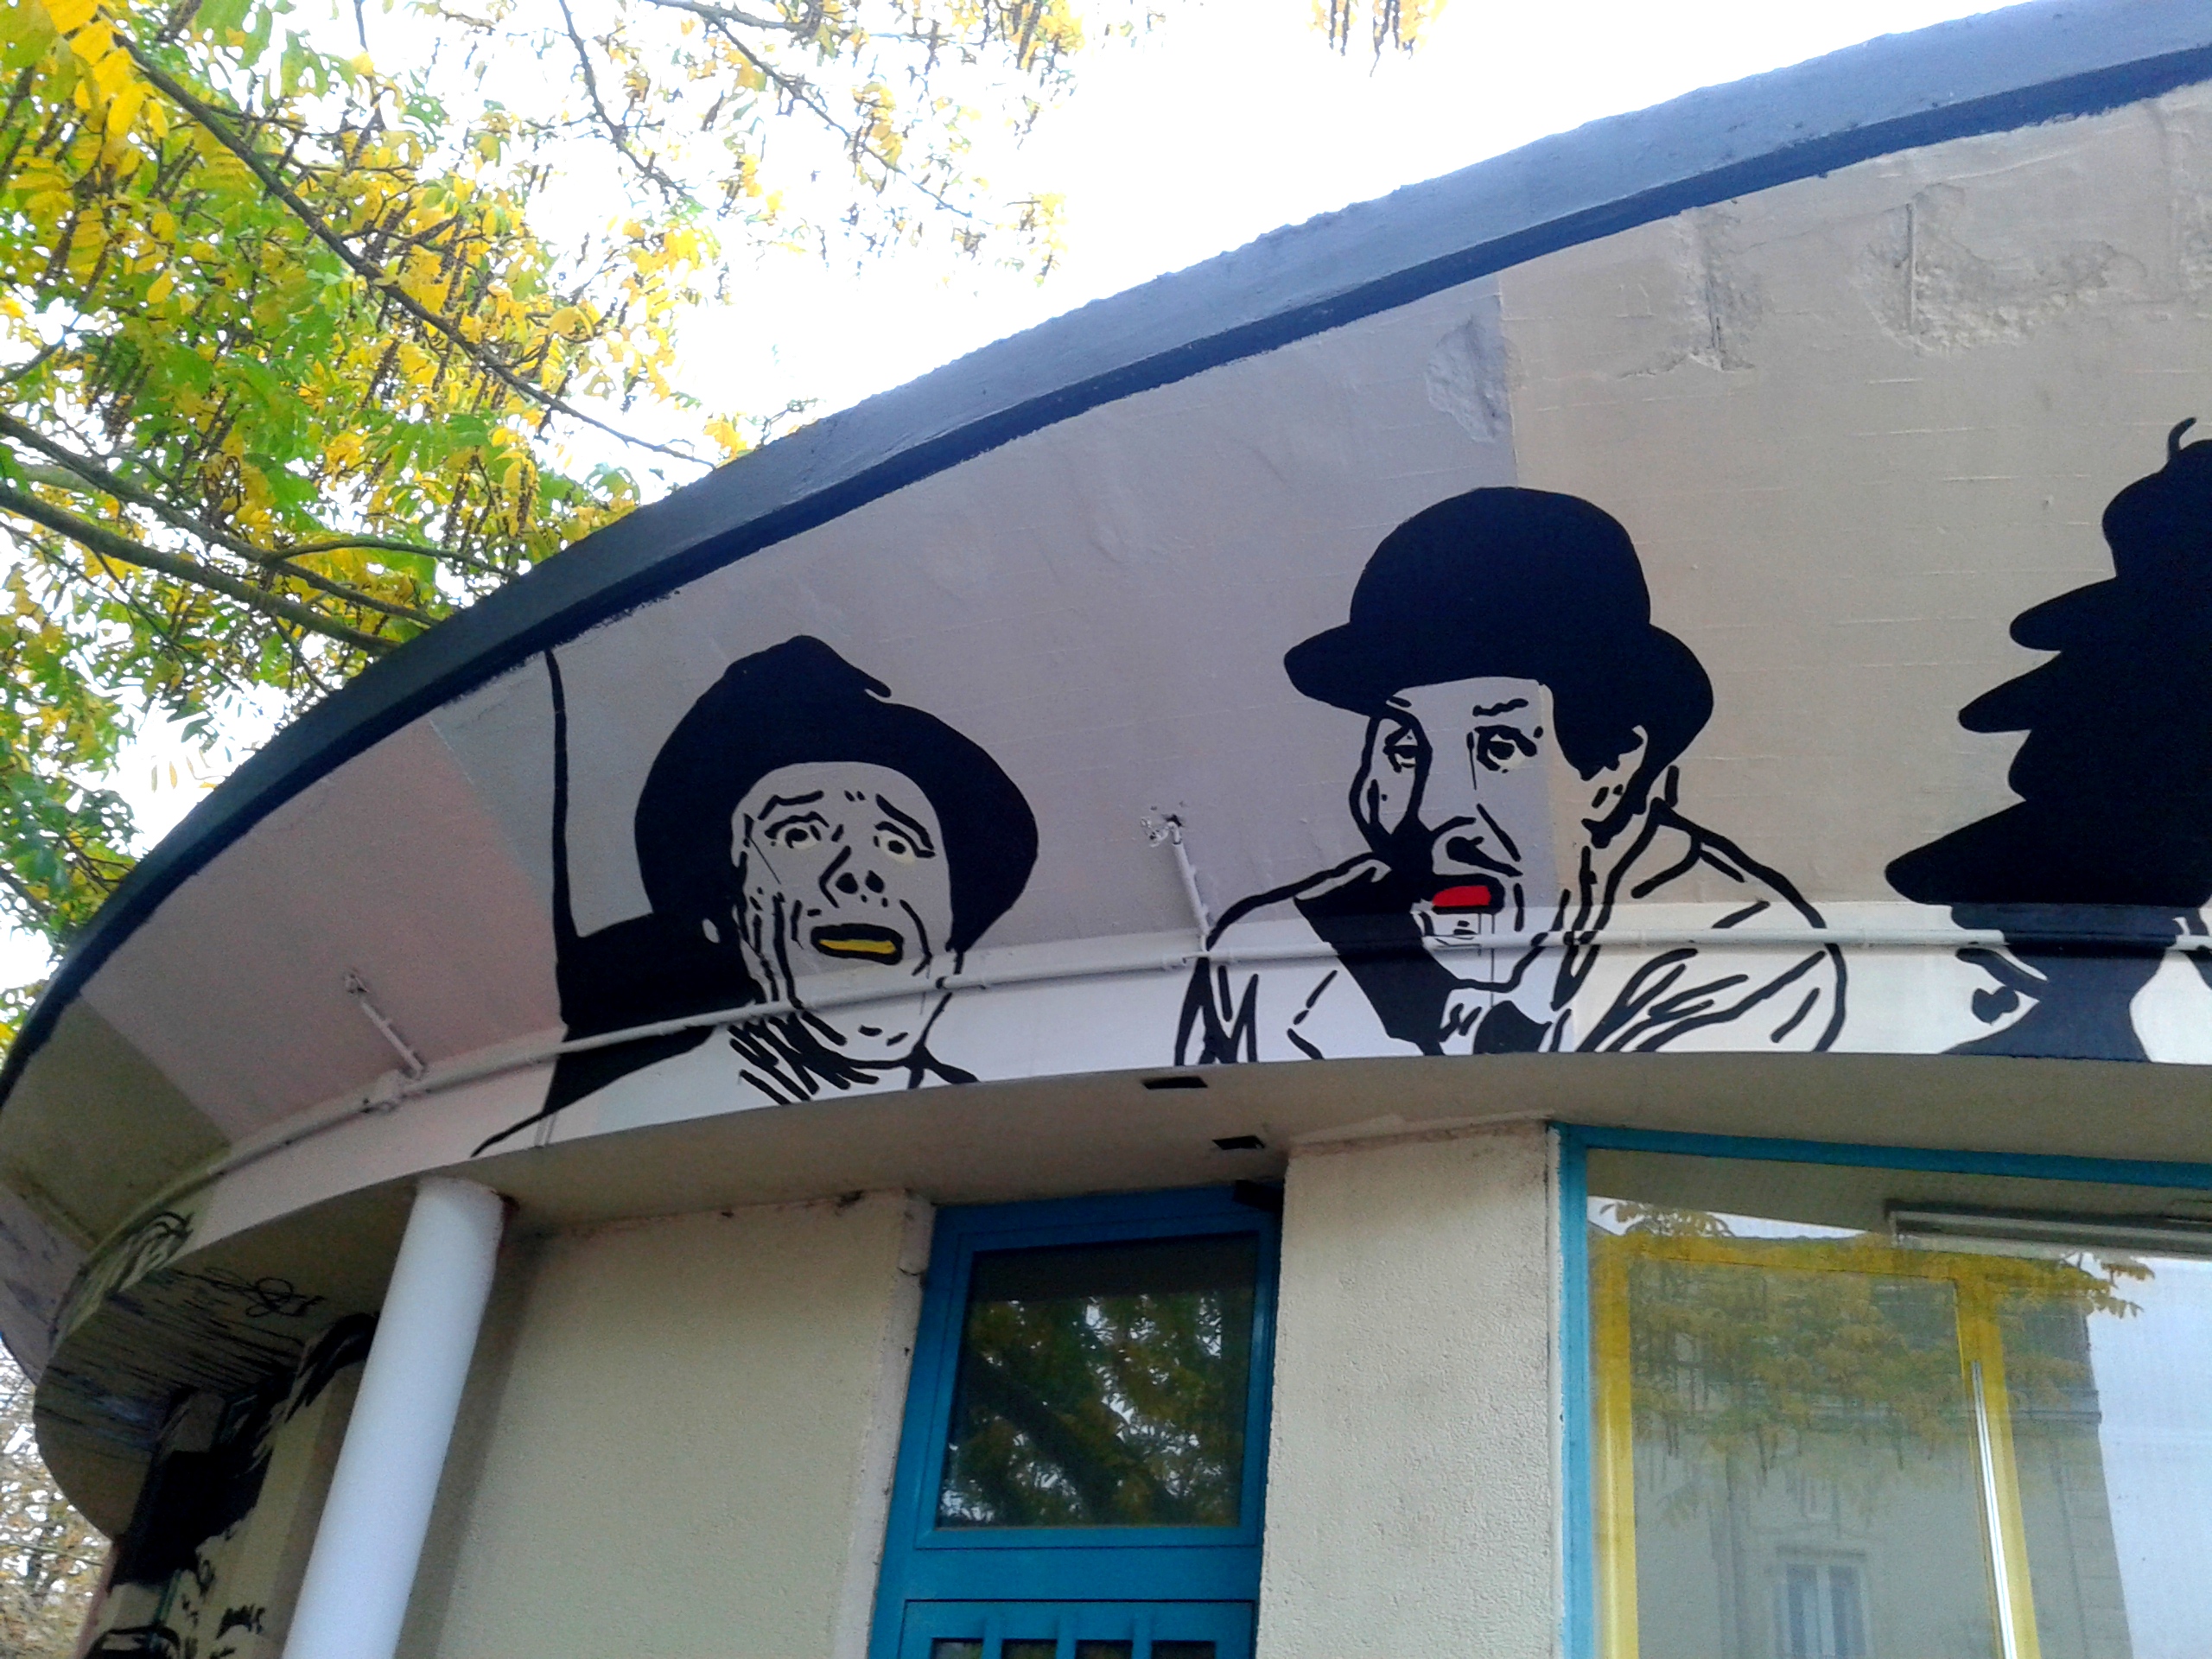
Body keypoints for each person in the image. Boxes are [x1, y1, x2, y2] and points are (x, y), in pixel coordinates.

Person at [1178, 487, 1844, 1063]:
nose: (1428, 816)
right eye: (1404, 749)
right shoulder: (1277, 952)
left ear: (1616, 765)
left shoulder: (1745, 956)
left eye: (1497, 748)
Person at [475, 635, 1037, 1154]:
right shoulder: (626, 1136)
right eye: (802, 836)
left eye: (897, 844)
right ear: (725, 908)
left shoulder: (1009, 1140)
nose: (859, 874)